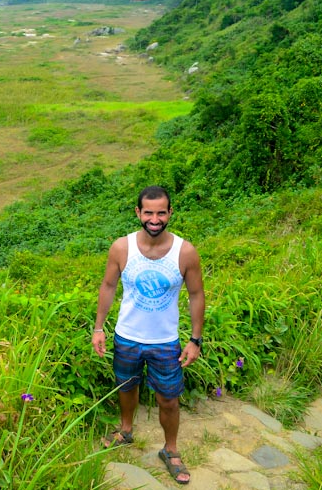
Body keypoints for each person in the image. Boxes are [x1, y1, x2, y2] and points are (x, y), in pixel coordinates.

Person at [92, 185, 205, 485]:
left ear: (169, 213)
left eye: (161, 212)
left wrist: (195, 339)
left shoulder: (185, 252)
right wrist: (99, 327)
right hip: (126, 336)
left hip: (165, 341)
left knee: (169, 399)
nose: (154, 219)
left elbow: (196, 294)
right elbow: (108, 286)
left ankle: (171, 450)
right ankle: (125, 430)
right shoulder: (121, 248)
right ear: (138, 213)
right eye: (149, 212)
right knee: (126, 387)